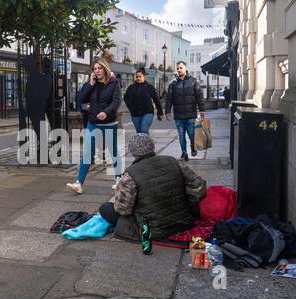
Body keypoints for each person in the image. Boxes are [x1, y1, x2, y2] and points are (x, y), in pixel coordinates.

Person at [62, 133, 206, 242]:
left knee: (106, 208)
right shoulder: (173, 161)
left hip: (153, 229)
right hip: (183, 221)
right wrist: (188, 203)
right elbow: (199, 186)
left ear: (133, 152)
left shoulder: (131, 174)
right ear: (152, 147)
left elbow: (123, 209)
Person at [66, 58, 122, 194]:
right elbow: (82, 100)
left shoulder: (114, 83)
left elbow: (116, 102)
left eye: (99, 68)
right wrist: (91, 84)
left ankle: (119, 179)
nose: (97, 71)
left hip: (109, 123)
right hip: (93, 123)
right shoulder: (91, 84)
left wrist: (105, 112)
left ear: (105, 69)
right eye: (95, 69)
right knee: (87, 153)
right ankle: (79, 183)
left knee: (113, 151)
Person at [165, 61, 205, 162]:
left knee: (191, 134)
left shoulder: (193, 81)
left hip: (191, 115)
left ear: (185, 68)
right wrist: (168, 111)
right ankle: (184, 152)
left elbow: (199, 96)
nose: (179, 70)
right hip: (178, 115)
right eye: (177, 68)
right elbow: (169, 98)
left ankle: (192, 145)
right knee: (181, 135)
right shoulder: (173, 83)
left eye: (180, 68)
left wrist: (202, 110)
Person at [124, 68, 163, 134]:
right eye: (137, 77)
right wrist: (131, 108)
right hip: (135, 114)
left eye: (140, 76)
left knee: (144, 130)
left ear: (144, 76)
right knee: (139, 133)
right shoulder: (131, 87)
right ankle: (147, 144)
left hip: (148, 113)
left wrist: (160, 112)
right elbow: (125, 98)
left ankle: (146, 144)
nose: (138, 78)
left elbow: (156, 100)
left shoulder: (150, 87)